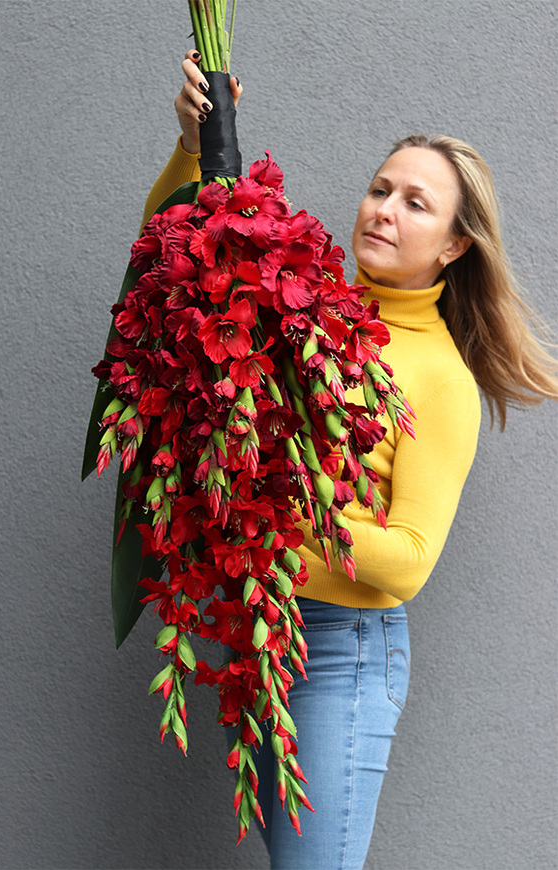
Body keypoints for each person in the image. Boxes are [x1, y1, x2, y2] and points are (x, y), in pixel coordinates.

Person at [140, 50, 558, 870]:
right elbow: (174, 260)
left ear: (454, 246)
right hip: (259, 635)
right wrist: (194, 146)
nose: (386, 210)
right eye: (380, 189)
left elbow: (405, 564)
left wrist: (271, 511)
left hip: (343, 653)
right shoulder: (310, 305)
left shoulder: (439, 378)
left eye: (416, 203)